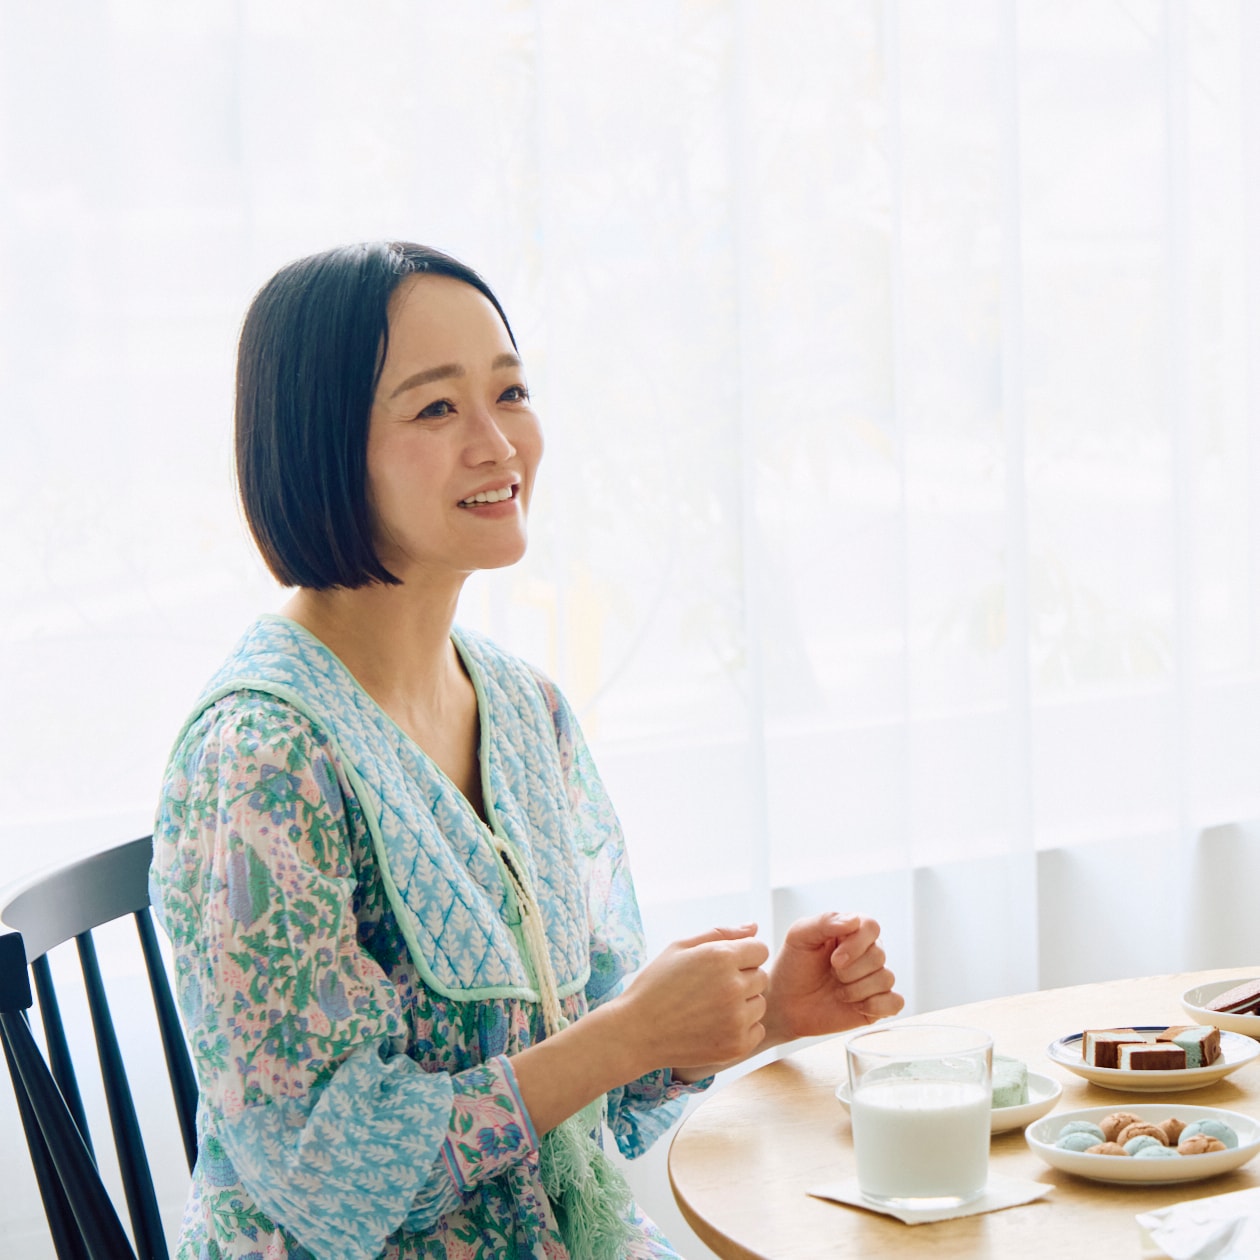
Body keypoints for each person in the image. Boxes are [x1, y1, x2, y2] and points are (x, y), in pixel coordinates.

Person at [150, 241, 904, 1260]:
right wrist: (629, 1031)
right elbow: (324, 1175)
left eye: (510, 391)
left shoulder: (521, 708)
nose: (498, 442)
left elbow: (584, 1066)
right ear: (321, 445)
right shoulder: (261, 756)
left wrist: (756, 1014)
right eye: (435, 408)